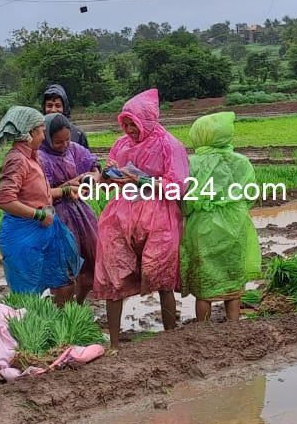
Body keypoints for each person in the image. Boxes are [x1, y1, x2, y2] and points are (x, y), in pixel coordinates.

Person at [93, 89, 190, 349]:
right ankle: (114, 343)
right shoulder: (122, 144)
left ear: (146, 121)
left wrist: (141, 179)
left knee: (160, 274)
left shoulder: (169, 145)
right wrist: (108, 176)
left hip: (158, 216)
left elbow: (177, 187)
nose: (128, 129)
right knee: (114, 274)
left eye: (132, 124)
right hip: (121, 215)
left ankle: (170, 335)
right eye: (124, 124)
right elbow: (107, 179)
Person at [0, 106, 83, 304]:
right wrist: (38, 215)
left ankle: (58, 326)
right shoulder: (16, 160)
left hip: (45, 231)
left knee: (64, 282)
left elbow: (38, 196)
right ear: (30, 133)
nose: (43, 135)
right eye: (41, 131)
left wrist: (65, 189)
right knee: (28, 298)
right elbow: (5, 200)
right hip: (24, 236)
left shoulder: (32, 157)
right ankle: (36, 332)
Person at [179, 112, 261, 323]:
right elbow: (250, 194)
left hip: (203, 226)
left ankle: (203, 328)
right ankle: (233, 326)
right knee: (232, 278)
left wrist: (190, 212)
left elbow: (185, 200)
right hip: (235, 223)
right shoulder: (241, 162)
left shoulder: (192, 163)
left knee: (205, 282)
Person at [37, 113, 101, 303]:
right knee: (64, 270)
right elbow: (42, 193)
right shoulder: (40, 157)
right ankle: (61, 309)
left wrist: (92, 177)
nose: (64, 145)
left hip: (80, 213)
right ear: (47, 138)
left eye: (67, 139)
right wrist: (69, 186)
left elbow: (94, 165)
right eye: (58, 142)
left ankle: (78, 304)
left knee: (91, 260)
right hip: (57, 216)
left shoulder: (73, 149)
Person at [40, 84, 90, 149]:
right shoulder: (38, 134)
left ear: (64, 107)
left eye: (58, 106)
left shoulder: (78, 134)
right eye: (49, 106)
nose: (53, 110)